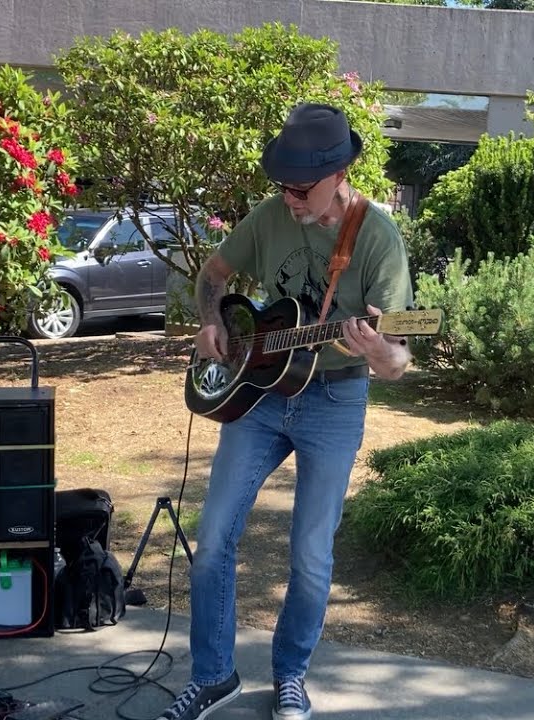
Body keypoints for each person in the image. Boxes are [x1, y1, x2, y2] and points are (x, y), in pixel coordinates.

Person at [154, 103, 414, 720]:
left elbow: (399, 360)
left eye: (301, 189)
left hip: (335, 400)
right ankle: (214, 676)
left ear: (339, 174)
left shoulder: (376, 237)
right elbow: (214, 275)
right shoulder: (270, 216)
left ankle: (291, 672)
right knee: (214, 538)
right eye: (283, 186)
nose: (290, 199)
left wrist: (377, 347)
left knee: (311, 553)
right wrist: (211, 321)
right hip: (264, 395)